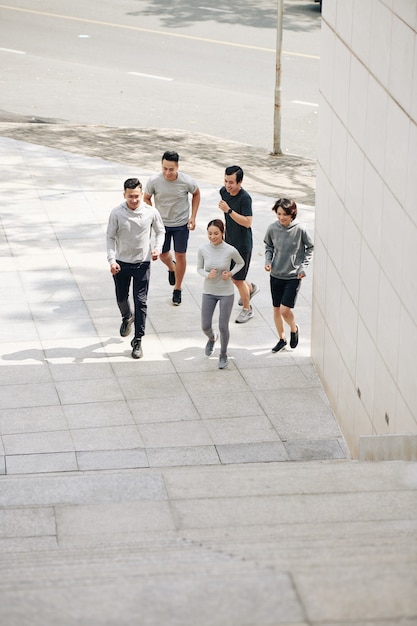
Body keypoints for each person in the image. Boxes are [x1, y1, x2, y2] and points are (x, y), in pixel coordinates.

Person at [106, 178, 165, 359]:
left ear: (141, 195)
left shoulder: (151, 212)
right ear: (124, 195)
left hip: (142, 263)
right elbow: (110, 237)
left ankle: (138, 339)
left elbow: (160, 231)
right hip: (121, 263)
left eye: (137, 196)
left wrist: (157, 249)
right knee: (121, 298)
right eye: (130, 196)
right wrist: (111, 260)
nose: (134, 200)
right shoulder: (116, 213)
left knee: (141, 301)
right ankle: (126, 317)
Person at [144, 151, 200, 306]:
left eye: (171, 169)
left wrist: (193, 217)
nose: (167, 172)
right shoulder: (154, 181)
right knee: (162, 254)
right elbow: (146, 198)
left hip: (181, 224)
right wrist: (153, 215)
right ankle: (172, 267)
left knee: (181, 255)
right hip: (162, 225)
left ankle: (178, 288)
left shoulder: (186, 181)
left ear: (177, 167)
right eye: (164, 168)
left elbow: (196, 194)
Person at [264, 198, 314, 353]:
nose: (281, 217)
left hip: (293, 276)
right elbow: (269, 245)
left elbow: (310, 247)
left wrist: (302, 267)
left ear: (292, 214)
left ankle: (294, 328)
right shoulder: (272, 228)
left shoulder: (300, 230)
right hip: (276, 274)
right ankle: (281, 339)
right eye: (278, 214)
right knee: (276, 309)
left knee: (285, 310)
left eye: (284, 214)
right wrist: (268, 260)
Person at [197, 219, 244, 369]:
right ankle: (212, 338)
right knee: (205, 326)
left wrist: (230, 273)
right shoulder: (203, 249)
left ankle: (223, 354)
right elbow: (199, 268)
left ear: (222, 233)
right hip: (209, 291)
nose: (212, 236)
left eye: (216, 233)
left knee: (223, 326)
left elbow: (240, 263)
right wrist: (206, 274)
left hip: (226, 293)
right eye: (210, 233)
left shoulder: (230, 249)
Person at [218, 165, 259, 324]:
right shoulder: (223, 192)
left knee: (237, 279)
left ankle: (247, 310)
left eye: (232, 182)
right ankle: (250, 289)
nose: (228, 185)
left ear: (240, 182)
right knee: (235, 277)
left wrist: (228, 211)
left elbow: (248, 222)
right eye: (226, 181)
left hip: (242, 245)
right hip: (229, 242)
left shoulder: (245, 198)